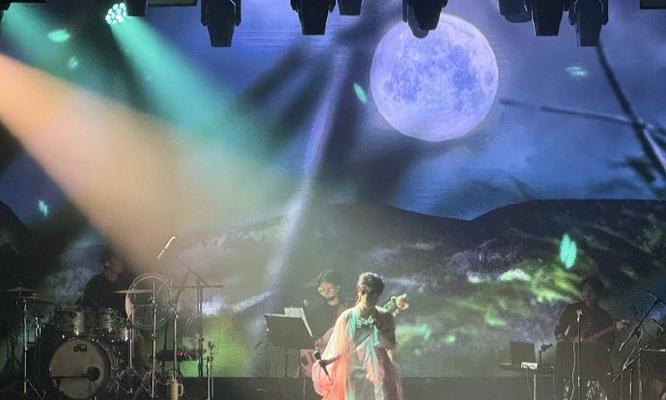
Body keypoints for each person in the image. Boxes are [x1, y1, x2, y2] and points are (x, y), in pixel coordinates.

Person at [312, 272, 403, 400]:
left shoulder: (385, 316)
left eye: (374, 295)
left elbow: (391, 345)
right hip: (354, 376)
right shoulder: (347, 318)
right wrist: (329, 361)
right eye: (366, 293)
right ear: (359, 291)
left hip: (380, 374)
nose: (370, 298)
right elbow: (342, 348)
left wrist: (380, 332)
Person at [554, 275, 616, 400]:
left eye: (591, 290)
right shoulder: (571, 309)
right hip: (570, 361)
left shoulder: (604, 316)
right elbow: (558, 332)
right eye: (584, 290)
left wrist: (598, 346)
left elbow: (610, 343)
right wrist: (569, 342)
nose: (587, 293)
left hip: (594, 364)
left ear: (598, 293)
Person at [81, 246, 134, 315]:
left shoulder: (126, 282)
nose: (121, 263)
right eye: (117, 259)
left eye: (122, 259)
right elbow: (87, 308)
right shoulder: (94, 284)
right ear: (107, 263)